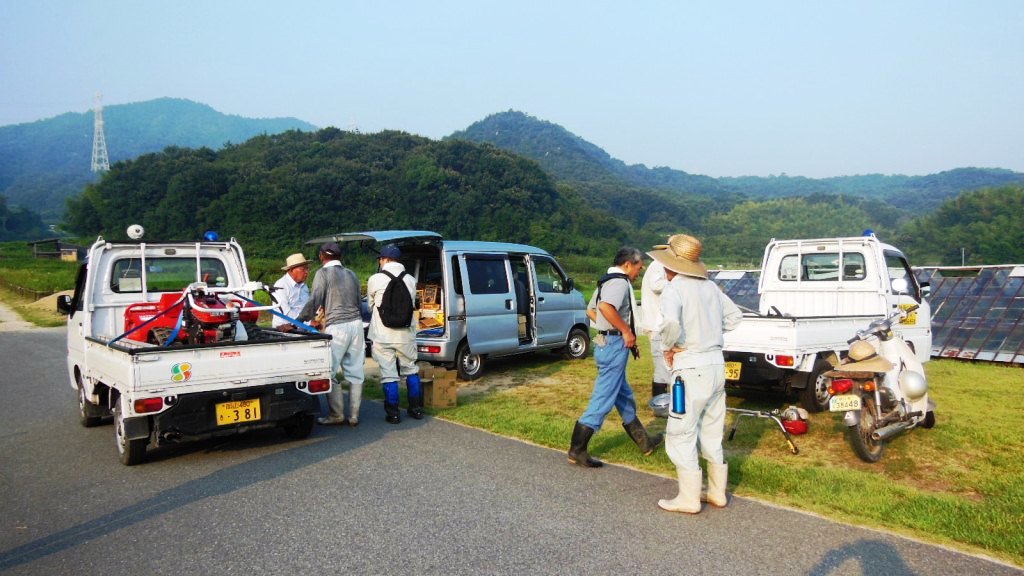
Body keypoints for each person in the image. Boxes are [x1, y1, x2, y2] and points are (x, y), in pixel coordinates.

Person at [649, 234, 742, 513]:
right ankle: (717, 493)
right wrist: (710, 334)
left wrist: (669, 347)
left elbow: (670, 324)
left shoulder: (674, 289)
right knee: (712, 431)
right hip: (716, 365)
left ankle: (688, 498)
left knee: (681, 430)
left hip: (690, 368)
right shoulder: (711, 287)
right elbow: (735, 317)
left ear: (671, 264)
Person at [569, 246, 663, 468]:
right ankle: (577, 449)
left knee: (624, 395)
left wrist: (605, 328)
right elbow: (605, 307)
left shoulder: (606, 280)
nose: (639, 273)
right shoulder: (620, 282)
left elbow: (592, 310)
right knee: (603, 398)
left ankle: (645, 442)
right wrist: (624, 331)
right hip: (613, 346)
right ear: (628, 264)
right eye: (639, 268)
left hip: (606, 344)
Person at [297, 242, 366, 426]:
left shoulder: (323, 273)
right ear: (339, 256)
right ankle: (354, 416)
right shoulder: (352, 274)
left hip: (337, 326)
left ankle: (336, 415)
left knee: (330, 371)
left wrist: (298, 320)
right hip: (357, 324)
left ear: (322, 256)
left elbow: (315, 299)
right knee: (356, 372)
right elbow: (359, 301)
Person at [366, 244, 422, 424]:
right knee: (411, 369)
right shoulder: (411, 280)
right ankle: (416, 409)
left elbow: (370, 304)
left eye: (380, 259)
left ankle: (394, 413)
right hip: (405, 334)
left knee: (389, 374)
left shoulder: (375, 279)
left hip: (383, 335)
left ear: (384, 259)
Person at [640, 259, 671, 398]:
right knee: (661, 365)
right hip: (657, 324)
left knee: (664, 364)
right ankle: (660, 403)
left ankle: (662, 401)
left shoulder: (661, 265)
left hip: (660, 323)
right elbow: (656, 285)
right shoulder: (659, 264)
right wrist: (677, 282)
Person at [271, 253, 312, 331]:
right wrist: (308, 322)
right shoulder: (281, 286)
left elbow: (306, 306)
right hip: (284, 330)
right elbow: (286, 312)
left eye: (307, 269)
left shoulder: (304, 286)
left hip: (302, 327)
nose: (306, 272)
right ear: (291, 270)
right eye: (303, 269)